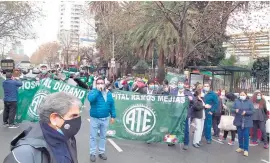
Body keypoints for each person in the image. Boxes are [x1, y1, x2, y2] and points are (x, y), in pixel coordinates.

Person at [3, 92, 82, 163]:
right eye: (74, 116)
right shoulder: (24, 154)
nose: (78, 120)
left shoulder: (68, 137)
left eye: (78, 115)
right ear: (54, 118)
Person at [88, 77, 116, 162]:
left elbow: (112, 105)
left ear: (104, 84)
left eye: (101, 83)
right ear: (96, 84)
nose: (100, 84)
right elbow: (90, 99)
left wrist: (113, 116)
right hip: (95, 119)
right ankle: (92, 153)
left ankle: (101, 152)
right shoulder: (93, 92)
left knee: (103, 137)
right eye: (98, 83)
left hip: (105, 119)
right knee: (93, 137)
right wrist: (97, 91)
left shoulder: (108, 93)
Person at [169, 78, 193, 150]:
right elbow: (168, 101)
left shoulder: (188, 92)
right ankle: (171, 141)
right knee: (172, 127)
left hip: (184, 114)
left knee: (185, 129)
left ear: (184, 84)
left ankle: (186, 144)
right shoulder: (173, 91)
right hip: (175, 113)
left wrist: (191, 99)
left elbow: (194, 102)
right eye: (179, 83)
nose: (180, 84)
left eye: (181, 83)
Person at [232, 91, 254, 157]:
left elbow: (253, 111)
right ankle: (240, 147)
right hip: (238, 120)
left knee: (246, 136)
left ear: (246, 95)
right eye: (241, 94)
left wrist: (246, 112)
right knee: (240, 135)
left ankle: (246, 150)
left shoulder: (249, 102)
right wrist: (235, 110)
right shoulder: (236, 101)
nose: (242, 96)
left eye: (243, 95)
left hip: (246, 121)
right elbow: (232, 109)